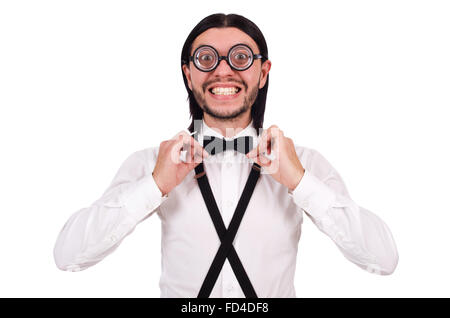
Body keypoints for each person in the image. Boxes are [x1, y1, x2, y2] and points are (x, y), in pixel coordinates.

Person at [54, 13, 398, 298]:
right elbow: (68, 256)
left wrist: (300, 182)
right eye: (206, 58)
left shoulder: (302, 162)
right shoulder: (154, 163)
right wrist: (155, 184)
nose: (222, 71)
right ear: (189, 74)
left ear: (262, 72)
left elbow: (384, 260)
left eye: (240, 57)